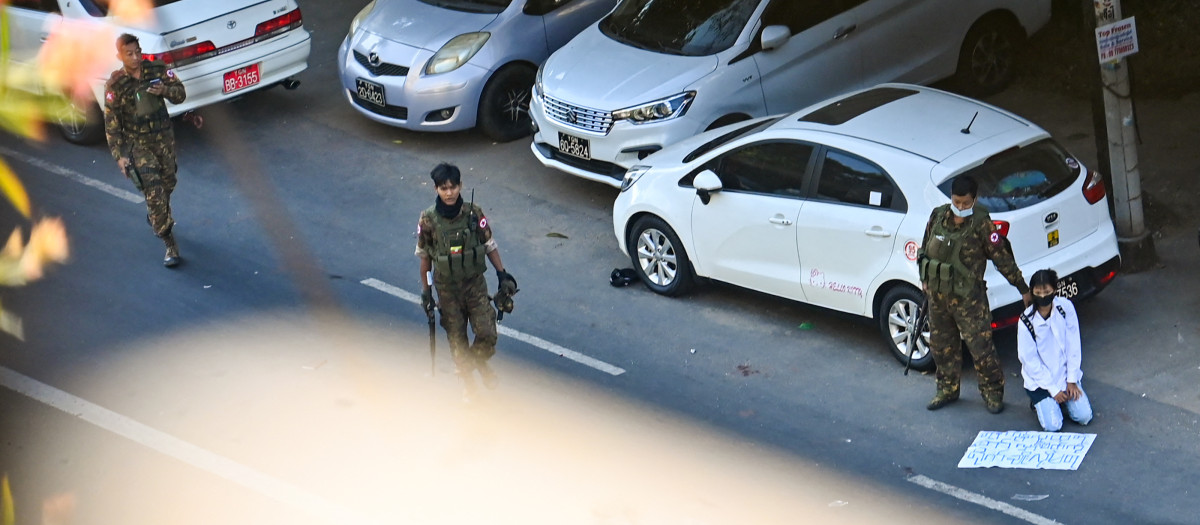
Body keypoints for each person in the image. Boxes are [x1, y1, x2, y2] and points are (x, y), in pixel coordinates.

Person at [919, 175, 1031, 413]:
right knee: (941, 346)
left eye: (966, 202)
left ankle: (992, 392)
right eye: (957, 201)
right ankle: (946, 389)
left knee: (981, 349)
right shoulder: (938, 216)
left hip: (969, 301)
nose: (960, 207)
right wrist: (925, 281)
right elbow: (925, 248)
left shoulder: (982, 224)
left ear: (975, 199)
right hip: (938, 298)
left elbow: (1003, 259)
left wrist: (1022, 288)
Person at [416, 163, 517, 401]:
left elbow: (489, 245)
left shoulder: (474, 214)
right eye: (444, 188)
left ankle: (476, 364)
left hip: (474, 285)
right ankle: (469, 384)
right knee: (457, 342)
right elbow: (424, 258)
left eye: (453, 187)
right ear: (436, 189)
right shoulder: (428, 219)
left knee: (487, 333)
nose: (449, 193)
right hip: (446, 290)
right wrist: (426, 292)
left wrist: (502, 274)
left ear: (461, 186)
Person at [103, 33, 186, 267]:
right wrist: (119, 156)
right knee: (156, 192)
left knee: (168, 182)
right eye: (129, 54)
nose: (136, 57)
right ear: (119, 56)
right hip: (138, 145)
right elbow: (111, 124)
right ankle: (169, 243)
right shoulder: (116, 85)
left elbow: (181, 94)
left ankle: (155, 215)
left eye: (138, 52)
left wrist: (165, 92)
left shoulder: (157, 69)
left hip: (163, 139)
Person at [1016, 269, 1093, 431]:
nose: (1043, 296)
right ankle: (1040, 402)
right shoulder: (1026, 321)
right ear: (1032, 292)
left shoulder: (1065, 308)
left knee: (1084, 416)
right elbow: (1029, 360)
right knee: (1053, 426)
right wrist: (1052, 389)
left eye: (1047, 292)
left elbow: (1073, 345)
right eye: (1038, 292)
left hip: (1065, 376)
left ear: (1055, 290)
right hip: (1041, 382)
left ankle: (1062, 401)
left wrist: (1071, 380)